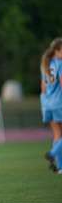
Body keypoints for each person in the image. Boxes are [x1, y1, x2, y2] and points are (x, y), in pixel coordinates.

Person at [40, 38, 62, 174]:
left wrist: (44, 103)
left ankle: (60, 168)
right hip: (59, 102)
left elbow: (42, 87)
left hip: (47, 103)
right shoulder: (60, 63)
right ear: (57, 50)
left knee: (57, 135)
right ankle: (52, 153)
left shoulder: (45, 64)